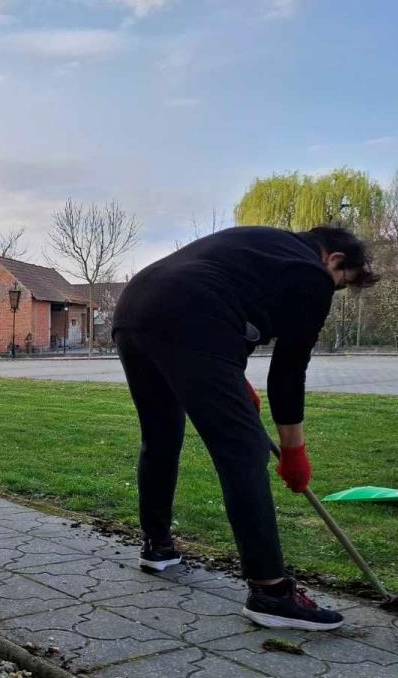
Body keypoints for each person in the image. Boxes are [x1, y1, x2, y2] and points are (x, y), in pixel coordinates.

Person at [111, 225, 378, 631]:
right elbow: (288, 373)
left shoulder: (265, 245)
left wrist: (234, 382)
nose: (334, 291)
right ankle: (271, 592)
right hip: (190, 314)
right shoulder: (311, 273)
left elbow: (231, 311)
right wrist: (294, 452)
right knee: (244, 450)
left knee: (161, 433)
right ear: (335, 260)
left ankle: (158, 547)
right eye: (342, 284)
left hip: (135, 309)